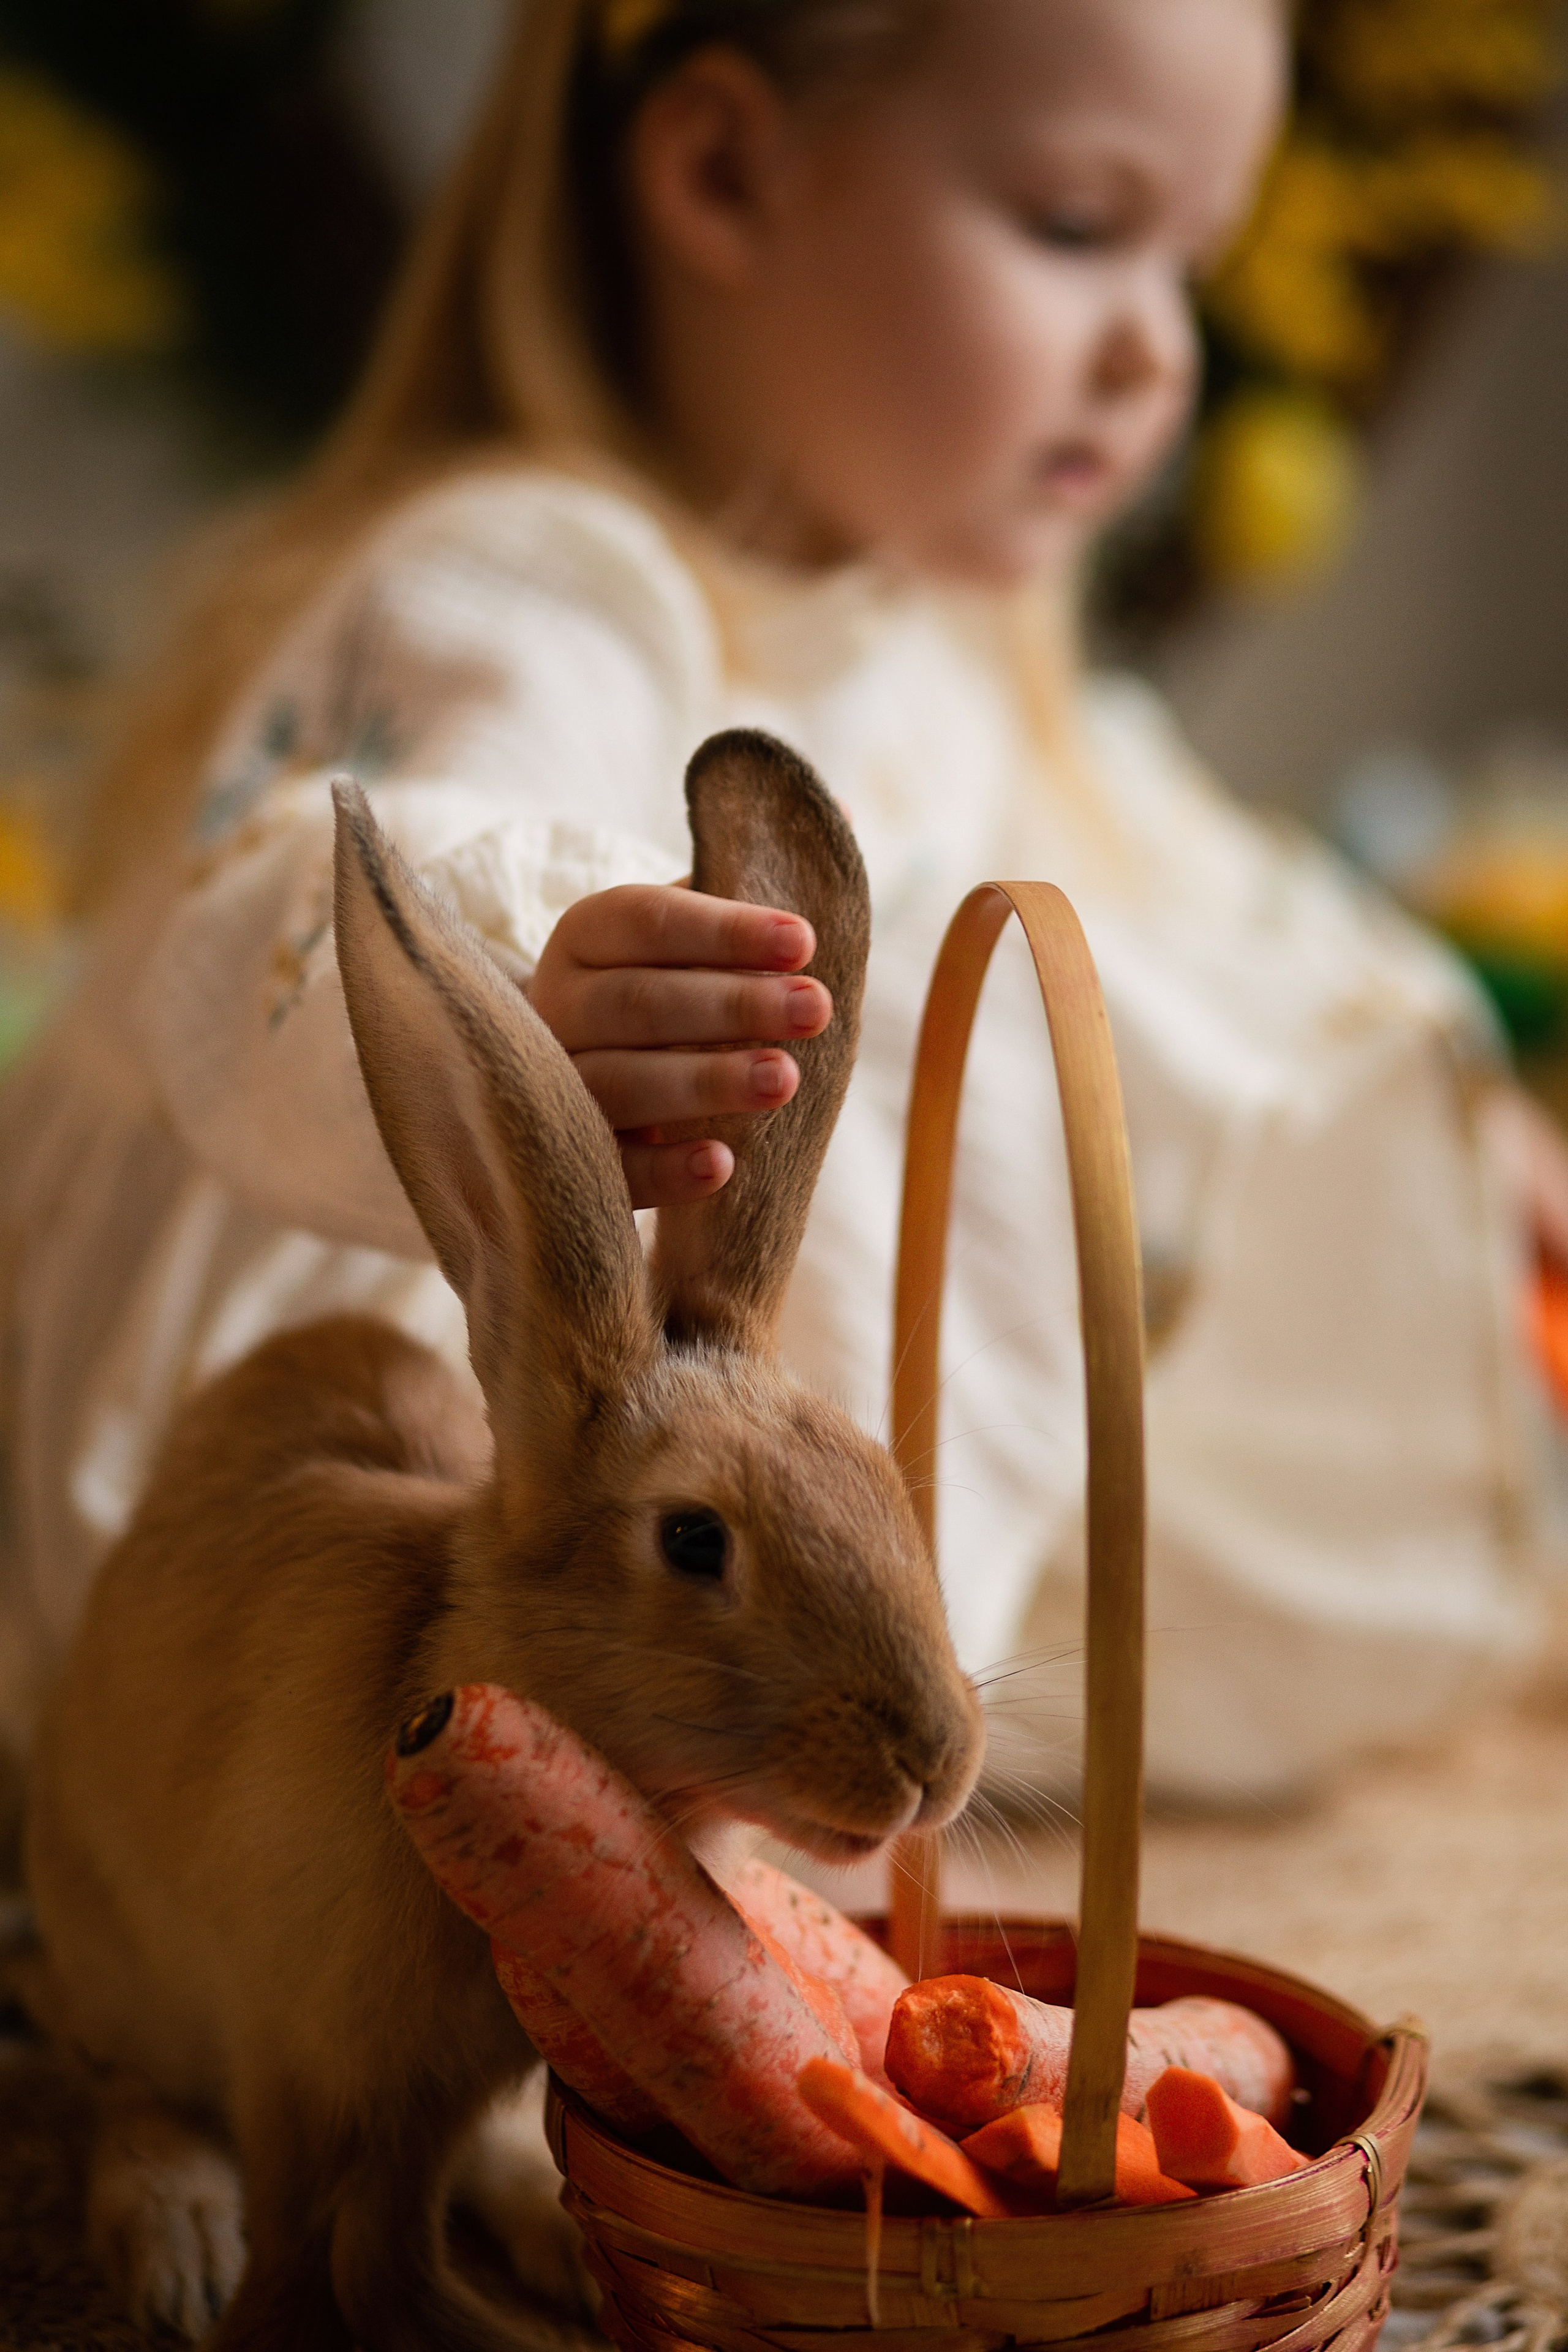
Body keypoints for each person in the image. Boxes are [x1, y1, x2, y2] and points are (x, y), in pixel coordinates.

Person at [0, 0, 1558, 1820]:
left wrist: (1459, 1094)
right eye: (1078, 228)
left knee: (1136, 1129)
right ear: (728, 173)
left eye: (1192, 267)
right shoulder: (530, 580)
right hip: (432, 1442)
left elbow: (1202, 875)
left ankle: (859, 1714)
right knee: (929, 1032)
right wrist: (539, 989)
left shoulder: (943, 635)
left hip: (733, 1424)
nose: (1162, 355)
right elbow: (353, 877)